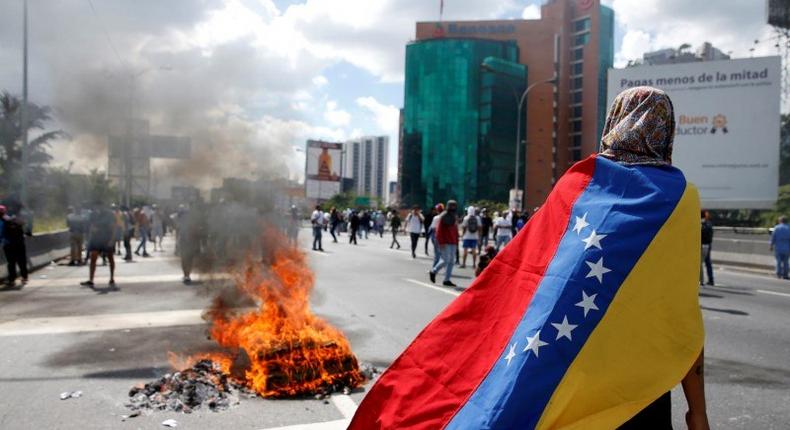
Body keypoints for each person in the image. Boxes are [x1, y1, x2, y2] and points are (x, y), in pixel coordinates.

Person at [350, 87, 708, 430]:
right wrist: (697, 413)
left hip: (572, 384)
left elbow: (527, 279)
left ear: (614, 122)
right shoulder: (679, 199)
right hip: (641, 388)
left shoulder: (579, 185)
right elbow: (682, 313)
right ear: (666, 131)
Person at [80, 202, 117, 288]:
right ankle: (91, 279)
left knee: (110, 258)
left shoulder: (109, 215)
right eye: (97, 206)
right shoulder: (93, 215)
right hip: (96, 239)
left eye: (100, 206)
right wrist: (92, 231)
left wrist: (112, 239)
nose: (99, 208)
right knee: (93, 258)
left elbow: (113, 227)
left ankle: (112, 278)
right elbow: (91, 226)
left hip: (107, 238)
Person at [429, 200, 459, 287]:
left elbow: (455, 230)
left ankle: (447, 279)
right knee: (445, 260)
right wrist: (441, 242)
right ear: (448, 206)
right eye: (451, 206)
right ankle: (434, 271)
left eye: (454, 206)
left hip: (453, 241)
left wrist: (457, 240)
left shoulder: (454, 216)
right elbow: (438, 231)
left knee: (451, 261)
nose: (453, 207)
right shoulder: (443, 216)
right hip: (445, 242)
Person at [1, 204, 28, 287]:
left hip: (9, 245)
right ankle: (24, 278)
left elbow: (1, 234)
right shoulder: (12, 219)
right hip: (20, 244)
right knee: (22, 261)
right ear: (5, 211)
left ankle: (12, 280)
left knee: (11, 263)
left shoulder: (2, 221)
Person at [770, 216, 790, 280]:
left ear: (780, 221)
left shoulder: (777, 228)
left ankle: (778, 274)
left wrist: (771, 246)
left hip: (778, 247)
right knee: (786, 262)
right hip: (787, 247)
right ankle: (785, 275)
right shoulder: (789, 228)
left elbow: (773, 238)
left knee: (778, 261)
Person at [700, 210, 714, 286]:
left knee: (699, 264)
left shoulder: (700, 224)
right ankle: (711, 280)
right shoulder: (709, 223)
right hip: (708, 245)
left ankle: (700, 281)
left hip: (701, 245)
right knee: (708, 263)